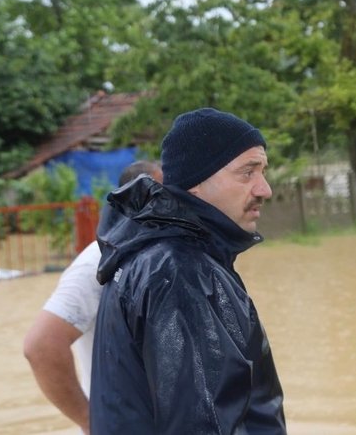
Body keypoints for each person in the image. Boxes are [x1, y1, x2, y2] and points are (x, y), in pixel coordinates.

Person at [89, 108, 286, 434]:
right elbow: (201, 424)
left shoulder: (147, 254)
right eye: (247, 172)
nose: (265, 189)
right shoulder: (181, 272)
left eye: (263, 171)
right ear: (197, 183)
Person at [23, 160, 163, 435]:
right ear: (135, 198)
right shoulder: (98, 263)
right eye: (163, 194)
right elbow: (42, 346)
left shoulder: (168, 258)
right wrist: (90, 421)